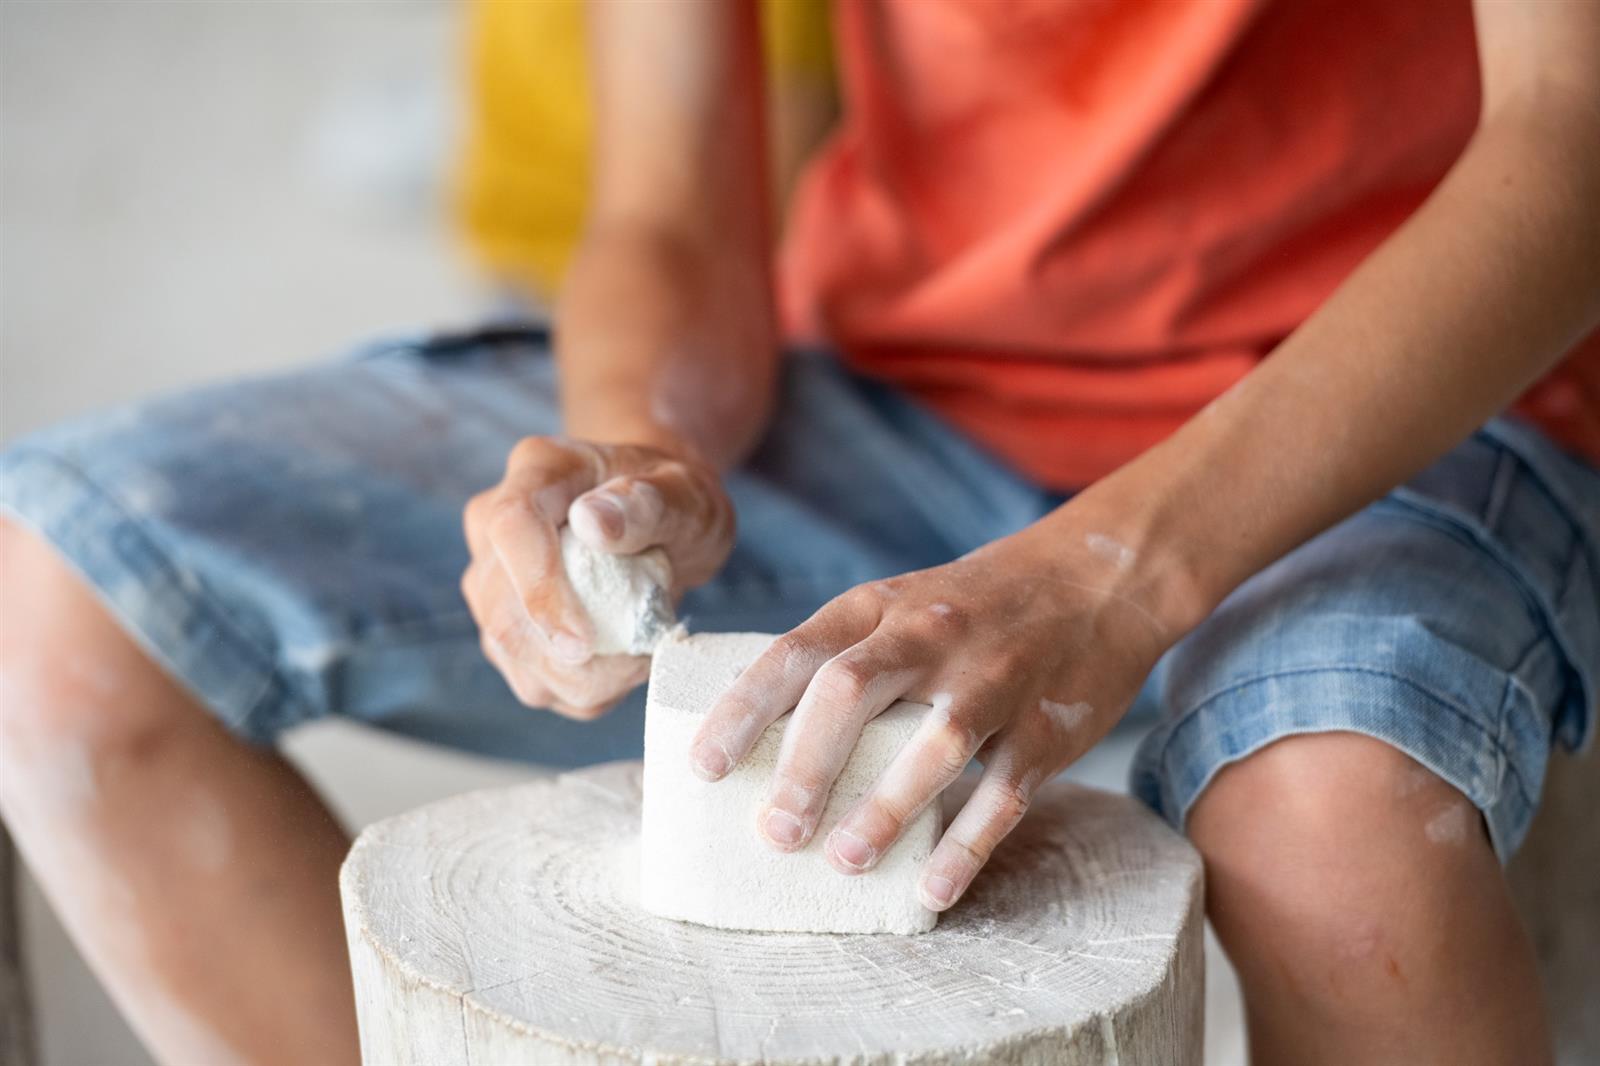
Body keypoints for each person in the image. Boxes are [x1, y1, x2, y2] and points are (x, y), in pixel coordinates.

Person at [3, 1, 1597, 1063]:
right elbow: (666, 211)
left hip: (1400, 403)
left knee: (1342, 838)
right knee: (51, 612)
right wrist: (637, 451)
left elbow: (1573, 145)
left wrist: (1109, 576)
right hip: (912, 384)